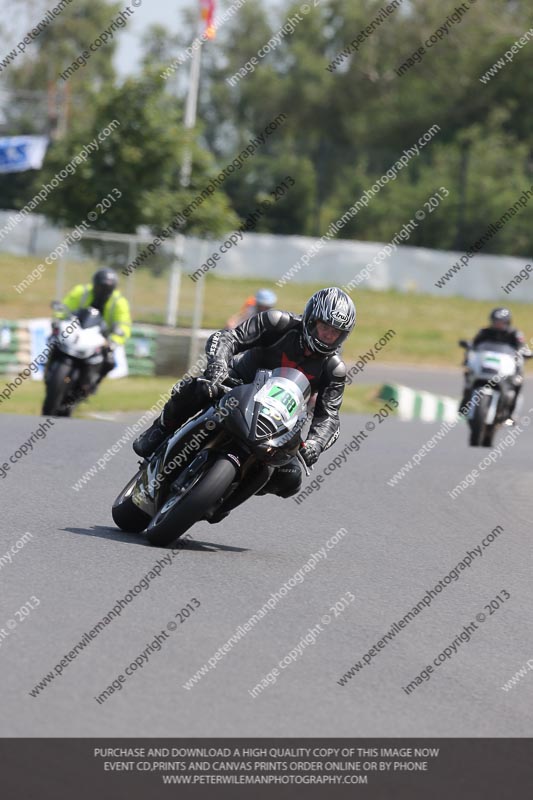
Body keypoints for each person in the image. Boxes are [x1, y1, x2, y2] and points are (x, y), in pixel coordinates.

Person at [133, 287, 356, 511]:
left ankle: (229, 491)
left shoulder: (334, 368)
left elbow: (329, 416)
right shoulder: (277, 323)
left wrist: (315, 444)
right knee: (198, 388)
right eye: (324, 327)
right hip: (239, 384)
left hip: (281, 418)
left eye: (335, 332)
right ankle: (161, 428)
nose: (328, 335)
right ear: (311, 319)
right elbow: (229, 337)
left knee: (291, 478)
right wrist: (219, 364)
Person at [58, 268, 132, 384]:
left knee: (109, 362)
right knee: (54, 342)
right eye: (100, 287)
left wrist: (113, 341)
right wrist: (58, 320)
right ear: (94, 284)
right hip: (76, 330)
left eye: (107, 289)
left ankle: (91, 385)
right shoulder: (81, 292)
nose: (103, 291)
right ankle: (49, 367)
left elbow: (124, 326)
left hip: (100, 337)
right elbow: (64, 308)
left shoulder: (119, 302)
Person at [459, 307, 530, 420]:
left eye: (501, 322)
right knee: (468, 375)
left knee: (518, 381)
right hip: (485, 364)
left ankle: (511, 413)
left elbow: (522, 348)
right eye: (495, 321)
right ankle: (465, 402)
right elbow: (474, 345)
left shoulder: (515, 334)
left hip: (505, 366)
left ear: (507, 322)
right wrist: (468, 348)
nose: (498, 324)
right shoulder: (484, 332)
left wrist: (526, 353)